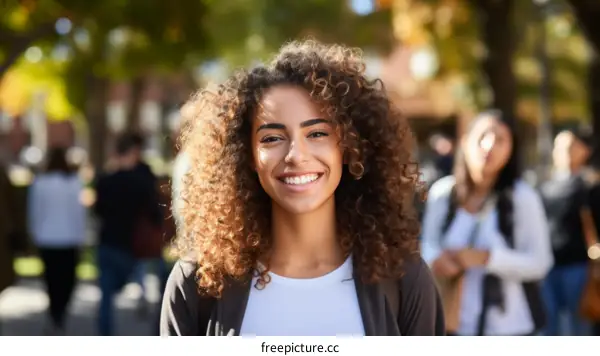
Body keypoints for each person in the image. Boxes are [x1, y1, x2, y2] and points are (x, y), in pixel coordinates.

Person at [160, 40, 444, 336]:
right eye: (272, 138)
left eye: (318, 133)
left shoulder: (404, 280)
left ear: (348, 148)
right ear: (248, 157)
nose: (297, 154)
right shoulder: (197, 284)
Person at [421, 110, 553, 336]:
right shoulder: (443, 193)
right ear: (465, 142)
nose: (489, 145)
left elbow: (540, 262)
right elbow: (427, 244)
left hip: (511, 329)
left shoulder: (522, 197)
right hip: (454, 324)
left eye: (500, 139)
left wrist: (487, 258)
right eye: (482, 136)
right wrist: (437, 260)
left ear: (511, 149)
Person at [93, 134, 159, 336]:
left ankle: (105, 333)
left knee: (106, 294)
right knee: (130, 280)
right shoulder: (140, 183)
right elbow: (154, 213)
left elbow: (98, 211)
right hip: (131, 245)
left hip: (107, 242)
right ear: (131, 154)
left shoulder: (105, 181)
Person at [538, 129, 594, 335]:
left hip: (578, 266)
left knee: (578, 328)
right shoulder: (545, 186)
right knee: (548, 327)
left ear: (584, 151)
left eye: (570, 147)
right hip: (548, 266)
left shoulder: (589, 186)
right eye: (559, 147)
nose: (564, 152)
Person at [27, 147, 87, 335]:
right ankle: (58, 313)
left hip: (47, 238)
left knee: (52, 279)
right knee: (66, 279)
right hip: (68, 238)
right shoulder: (74, 183)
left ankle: (55, 312)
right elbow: (79, 214)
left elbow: (35, 211)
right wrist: (81, 235)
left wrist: (34, 234)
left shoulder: (41, 183)